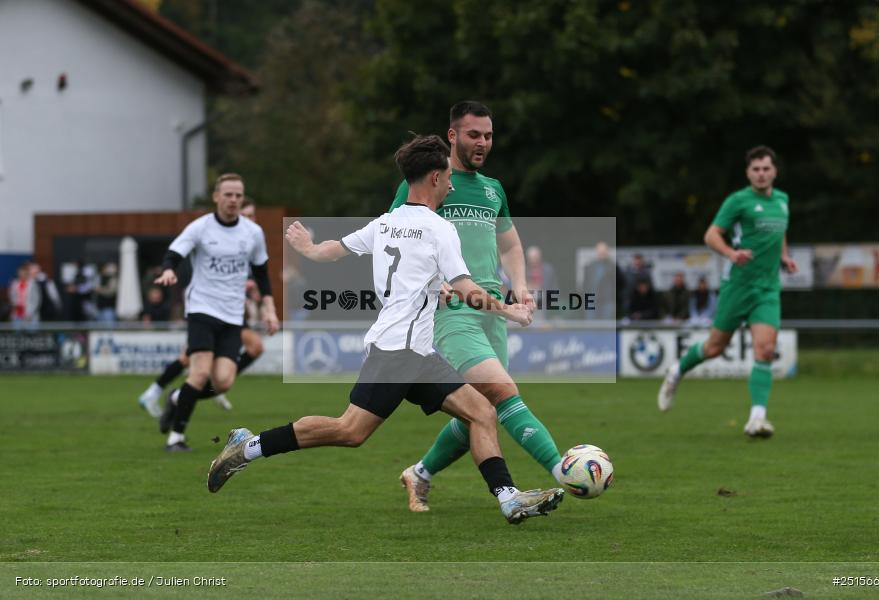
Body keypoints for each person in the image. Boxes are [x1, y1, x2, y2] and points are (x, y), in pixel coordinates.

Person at [207, 135, 565, 524]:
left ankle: (509, 498)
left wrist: (307, 247)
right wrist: (510, 312)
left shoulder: (386, 223)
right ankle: (248, 446)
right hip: (398, 352)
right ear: (433, 177)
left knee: (481, 412)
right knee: (349, 430)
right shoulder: (438, 228)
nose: (450, 183)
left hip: (416, 352)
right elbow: (466, 288)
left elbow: (333, 250)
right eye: (446, 177)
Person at [388, 101, 566, 513]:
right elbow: (395, 241)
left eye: (487, 135)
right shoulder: (428, 182)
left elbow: (510, 243)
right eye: (473, 134)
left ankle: (420, 473)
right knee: (503, 394)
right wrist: (434, 283)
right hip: (450, 313)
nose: (482, 142)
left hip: (492, 312)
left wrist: (519, 287)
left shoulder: (493, 188)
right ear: (453, 136)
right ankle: (566, 471)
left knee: (480, 407)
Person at [658, 146, 797, 438]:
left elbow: (779, 232)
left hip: (768, 289)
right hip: (738, 286)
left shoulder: (782, 200)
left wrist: (784, 256)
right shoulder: (738, 201)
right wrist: (732, 254)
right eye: (756, 169)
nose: (761, 174)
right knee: (714, 348)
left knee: (766, 350)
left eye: (766, 169)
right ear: (748, 173)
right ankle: (676, 371)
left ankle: (757, 419)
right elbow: (711, 235)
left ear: (775, 171)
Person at [152, 173, 279, 451]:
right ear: (216, 197)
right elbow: (174, 252)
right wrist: (169, 270)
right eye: (228, 195)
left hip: (233, 316)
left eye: (238, 195)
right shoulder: (201, 227)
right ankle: (176, 437)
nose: (233, 200)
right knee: (198, 374)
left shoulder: (252, 233)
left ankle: (177, 399)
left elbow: (262, 275)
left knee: (222, 382)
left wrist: (270, 310)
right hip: (202, 309)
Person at [138, 200, 268, 416]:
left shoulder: (249, 238)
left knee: (194, 357)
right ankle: (168, 393)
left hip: (230, 309)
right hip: (209, 307)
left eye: (253, 215)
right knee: (196, 358)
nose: (252, 220)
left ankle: (161, 391)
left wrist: (252, 290)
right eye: (248, 215)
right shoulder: (211, 236)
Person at [581, 242, 616, 321]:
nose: (602, 254)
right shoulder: (590, 266)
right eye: (600, 252)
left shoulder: (612, 266)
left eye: (603, 252)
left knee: (606, 327)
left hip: (607, 301)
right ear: (597, 252)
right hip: (591, 301)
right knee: (591, 326)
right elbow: (585, 284)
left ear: (607, 252)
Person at [8, 262, 40, 328]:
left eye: (24, 272)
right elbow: (12, 296)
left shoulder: (33, 284)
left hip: (29, 314)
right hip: (17, 313)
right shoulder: (14, 283)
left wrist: (30, 313)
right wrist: (15, 305)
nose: (22, 274)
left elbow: (36, 300)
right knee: (17, 332)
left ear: (27, 273)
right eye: (20, 272)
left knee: (30, 333)